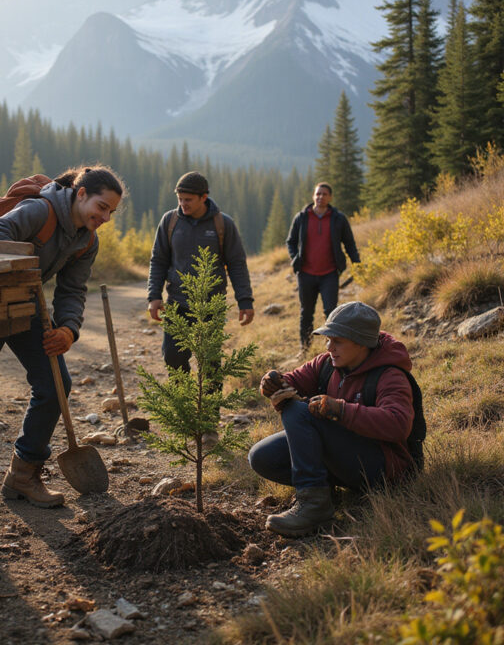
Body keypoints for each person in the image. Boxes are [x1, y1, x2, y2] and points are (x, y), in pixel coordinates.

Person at [0, 165, 125, 509]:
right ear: (81, 194)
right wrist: (20, 269)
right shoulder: (41, 210)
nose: (105, 216)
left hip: (27, 306)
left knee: (55, 386)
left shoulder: (86, 241)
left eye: (111, 211)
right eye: (102, 206)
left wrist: (68, 329)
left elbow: (73, 289)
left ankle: (23, 474)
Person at [248, 301, 415, 537]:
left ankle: (314, 505)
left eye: (337, 341)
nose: (329, 347)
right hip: (344, 457)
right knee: (261, 456)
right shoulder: (326, 363)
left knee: (298, 411)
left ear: (360, 342)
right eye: (327, 339)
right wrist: (273, 382)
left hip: (383, 469)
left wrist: (341, 410)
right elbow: (292, 380)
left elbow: (398, 425)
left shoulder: (390, 375)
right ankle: (323, 492)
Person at [147, 171, 254, 374]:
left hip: (211, 305)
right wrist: (154, 296)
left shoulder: (223, 224)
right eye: (179, 199)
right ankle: (183, 403)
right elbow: (158, 261)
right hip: (177, 303)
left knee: (210, 365)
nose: (183, 204)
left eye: (188, 200)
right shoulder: (170, 221)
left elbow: (237, 264)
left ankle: (209, 407)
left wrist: (245, 301)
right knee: (172, 357)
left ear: (203, 197)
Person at [286, 182, 360, 353]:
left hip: (330, 274)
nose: (320, 197)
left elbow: (349, 243)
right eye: (318, 194)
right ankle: (304, 349)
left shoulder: (338, 219)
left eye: (324, 194)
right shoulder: (302, 217)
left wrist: (357, 263)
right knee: (306, 313)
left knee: (331, 313)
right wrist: (295, 258)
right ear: (313, 196)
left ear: (330, 197)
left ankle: (332, 349)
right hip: (305, 274)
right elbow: (291, 241)